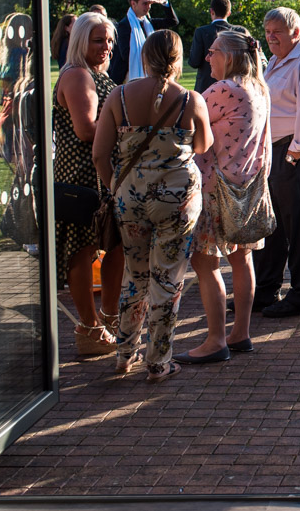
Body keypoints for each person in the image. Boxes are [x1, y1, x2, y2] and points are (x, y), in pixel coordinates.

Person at [93, 30, 211, 383]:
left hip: (131, 196)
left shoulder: (119, 96)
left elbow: (100, 153)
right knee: (168, 277)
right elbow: (203, 145)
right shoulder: (190, 99)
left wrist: (116, 185)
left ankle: (124, 353)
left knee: (136, 274)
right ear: (177, 60)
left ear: (144, 58)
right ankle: (158, 361)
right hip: (177, 198)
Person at [174, 30, 271, 365]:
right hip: (246, 187)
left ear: (228, 56)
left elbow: (184, 124)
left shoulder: (223, 90)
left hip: (215, 188)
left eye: (212, 51)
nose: (207, 57)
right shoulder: (258, 88)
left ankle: (216, 340)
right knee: (242, 259)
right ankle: (240, 332)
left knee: (204, 262)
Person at [53, 12, 124, 357]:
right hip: (81, 175)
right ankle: (90, 327)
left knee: (115, 244)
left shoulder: (97, 74)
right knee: (81, 250)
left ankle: (109, 318)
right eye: (99, 40)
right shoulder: (78, 75)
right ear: (81, 41)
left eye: (110, 41)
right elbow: (86, 130)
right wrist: (127, 127)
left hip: (104, 173)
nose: (106, 47)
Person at [255, 7, 300, 313]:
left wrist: (294, 153)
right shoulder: (275, 61)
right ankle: (265, 290)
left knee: (299, 224)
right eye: (268, 31)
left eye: (278, 32)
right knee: (273, 227)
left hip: (297, 151)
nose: (271, 37)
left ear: (296, 33)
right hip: (276, 150)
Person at [108, 0, 180, 85]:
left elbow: (173, 21)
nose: (148, 7)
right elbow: (125, 54)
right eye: (145, 4)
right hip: (128, 76)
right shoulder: (123, 26)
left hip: (149, 74)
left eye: (150, 3)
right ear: (133, 4)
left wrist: (165, 3)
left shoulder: (148, 23)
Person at [187, 0, 234, 93]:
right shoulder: (237, 32)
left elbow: (194, 62)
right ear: (229, 13)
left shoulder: (201, 32)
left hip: (206, 85)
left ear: (211, 11)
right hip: (232, 85)